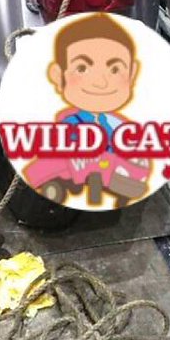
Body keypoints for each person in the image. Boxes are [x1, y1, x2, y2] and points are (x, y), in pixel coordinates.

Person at [45, 14, 148, 207]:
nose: (100, 83)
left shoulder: (109, 121)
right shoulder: (72, 122)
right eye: (82, 68)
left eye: (115, 70)